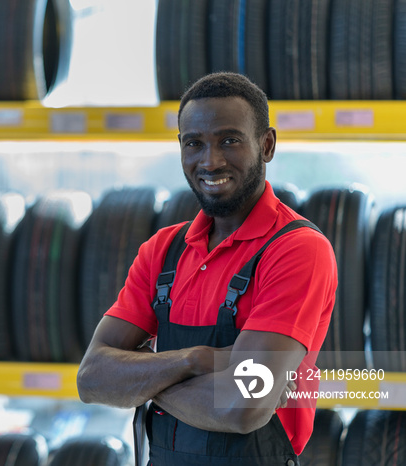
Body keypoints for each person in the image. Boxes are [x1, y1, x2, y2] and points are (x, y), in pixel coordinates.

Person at [77, 72, 338, 465]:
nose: (210, 161)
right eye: (193, 144)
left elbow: (243, 406)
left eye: (229, 140)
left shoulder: (297, 250)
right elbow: (91, 378)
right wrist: (194, 360)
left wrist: (141, 378)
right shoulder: (162, 250)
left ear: (266, 146)